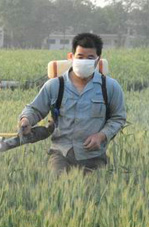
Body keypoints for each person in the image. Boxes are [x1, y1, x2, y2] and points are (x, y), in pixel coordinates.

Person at [18, 33, 126, 175]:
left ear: (98, 59)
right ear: (71, 57)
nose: (84, 61)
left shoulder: (110, 87)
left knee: (93, 194)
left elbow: (118, 118)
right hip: (61, 154)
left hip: (94, 157)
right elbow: (35, 109)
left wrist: (101, 135)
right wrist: (26, 120)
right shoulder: (55, 85)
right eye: (80, 57)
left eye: (90, 58)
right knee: (57, 190)